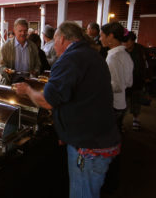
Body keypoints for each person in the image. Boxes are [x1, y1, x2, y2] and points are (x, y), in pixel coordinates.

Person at [14, 21, 120, 198]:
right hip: (102, 137)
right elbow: (81, 98)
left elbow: (48, 101)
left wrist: (27, 90)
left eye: (55, 42)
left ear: (62, 39)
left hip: (88, 147)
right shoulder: (92, 55)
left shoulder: (70, 59)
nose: (54, 47)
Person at [100, 22, 133, 132]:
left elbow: (117, 86)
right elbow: (129, 82)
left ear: (111, 36)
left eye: (102, 35)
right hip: (121, 102)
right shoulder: (125, 54)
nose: (100, 39)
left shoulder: (113, 57)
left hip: (112, 104)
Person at [0, 18, 41, 85]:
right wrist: (7, 71)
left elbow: (38, 65)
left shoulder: (33, 47)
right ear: (14, 31)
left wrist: (35, 71)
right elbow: (1, 66)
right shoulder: (6, 47)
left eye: (25, 31)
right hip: (11, 83)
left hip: (29, 84)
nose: (23, 33)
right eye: (20, 31)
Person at [122, 31, 147, 131]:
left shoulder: (140, 50)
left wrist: (146, 78)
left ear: (133, 41)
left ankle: (136, 119)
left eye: (128, 42)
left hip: (137, 81)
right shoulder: (122, 51)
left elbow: (145, 66)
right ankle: (121, 122)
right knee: (124, 103)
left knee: (136, 101)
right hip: (125, 82)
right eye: (124, 42)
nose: (125, 44)